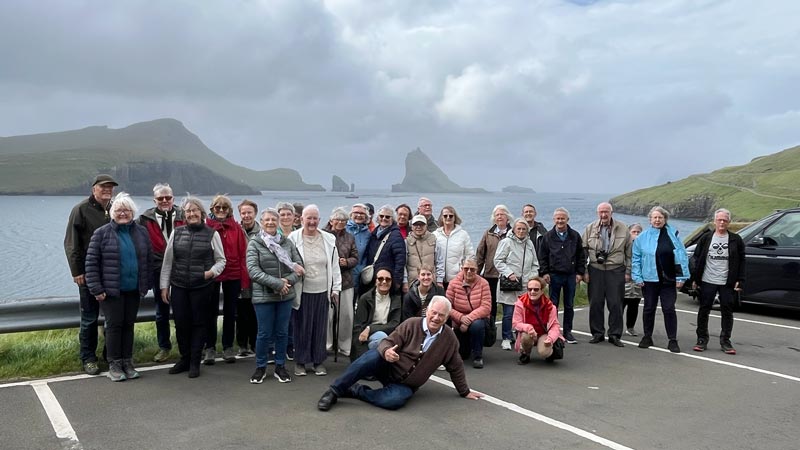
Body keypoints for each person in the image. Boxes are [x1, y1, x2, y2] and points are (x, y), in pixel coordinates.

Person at [317, 296, 483, 411]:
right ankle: (334, 391)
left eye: (441, 315)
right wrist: (386, 351)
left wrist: (465, 391)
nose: (436, 318)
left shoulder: (449, 339)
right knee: (372, 356)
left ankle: (356, 391)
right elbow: (387, 342)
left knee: (393, 401)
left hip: (406, 385)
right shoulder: (411, 324)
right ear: (427, 311)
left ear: (446, 318)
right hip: (388, 367)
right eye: (434, 312)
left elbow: (456, 366)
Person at [85, 193, 152, 381]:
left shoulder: (141, 232)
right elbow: (91, 263)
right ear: (112, 212)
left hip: (133, 290)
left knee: (128, 326)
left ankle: (127, 362)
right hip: (111, 291)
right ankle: (114, 364)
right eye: (119, 210)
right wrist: (97, 289)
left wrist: (146, 284)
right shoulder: (101, 233)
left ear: (133, 212)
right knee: (114, 327)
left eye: (127, 210)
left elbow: (148, 260)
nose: (123, 213)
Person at [160, 197, 226, 378]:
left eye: (195, 210)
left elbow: (221, 260)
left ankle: (195, 361)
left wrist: (210, 273)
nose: (191, 213)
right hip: (179, 285)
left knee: (199, 323)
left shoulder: (212, 234)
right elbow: (168, 262)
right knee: (181, 324)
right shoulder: (176, 233)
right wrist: (164, 286)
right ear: (184, 214)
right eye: (188, 211)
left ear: (202, 213)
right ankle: (185, 359)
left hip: (202, 286)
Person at [64, 173, 117, 375]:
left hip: (112, 274)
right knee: (89, 318)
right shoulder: (81, 210)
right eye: (103, 186)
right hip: (88, 274)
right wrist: (77, 271)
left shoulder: (116, 208)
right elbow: (71, 243)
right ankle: (88, 358)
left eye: (110, 187)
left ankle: (110, 355)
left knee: (112, 318)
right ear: (94, 189)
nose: (107, 190)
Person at [246, 208, 304, 384]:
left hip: (285, 296)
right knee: (264, 333)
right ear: (262, 222)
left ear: (277, 222)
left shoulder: (287, 242)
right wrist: (277, 284)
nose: (270, 222)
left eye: (273, 219)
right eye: (267, 220)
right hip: (264, 297)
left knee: (282, 332)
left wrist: (286, 282)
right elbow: (253, 270)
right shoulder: (255, 243)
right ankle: (261, 367)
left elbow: (299, 267)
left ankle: (280, 366)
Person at [288, 205, 342, 376]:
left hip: (322, 290)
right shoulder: (293, 238)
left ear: (319, 220)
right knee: (301, 327)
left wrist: (336, 288)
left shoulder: (329, 238)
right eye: (308, 218)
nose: (311, 222)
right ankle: (301, 362)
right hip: (302, 290)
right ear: (301, 219)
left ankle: (318, 361)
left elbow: (334, 265)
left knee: (320, 327)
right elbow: (287, 262)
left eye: (315, 218)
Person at [632, 206, 690, 353]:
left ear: (665, 219)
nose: (657, 220)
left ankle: (672, 340)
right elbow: (636, 258)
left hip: (668, 280)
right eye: (655, 217)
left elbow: (681, 256)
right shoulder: (642, 237)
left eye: (660, 217)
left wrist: (682, 277)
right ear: (650, 220)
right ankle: (647, 337)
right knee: (649, 308)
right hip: (649, 279)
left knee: (669, 309)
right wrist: (637, 276)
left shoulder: (673, 235)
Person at [137, 183, 185, 363]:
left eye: (168, 197)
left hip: (181, 269)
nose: (164, 201)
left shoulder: (184, 214)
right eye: (160, 198)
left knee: (183, 311)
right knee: (161, 312)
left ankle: (185, 347)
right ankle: (164, 347)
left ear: (173, 198)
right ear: (154, 200)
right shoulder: (144, 219)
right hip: (157, 269)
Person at [690, 208, 744, 355]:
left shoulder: (736, 240)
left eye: (725, 220)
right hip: (707, 279)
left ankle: (725, 341)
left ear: (729, 222)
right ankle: (702, 339)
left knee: (727, 311)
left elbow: (742, 260)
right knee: (704, 309)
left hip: (727, 281)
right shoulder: (706, 238)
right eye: (719, 220)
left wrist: (740, 279)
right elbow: (696, 258)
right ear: (714, 221)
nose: (722, 222)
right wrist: (695, 278)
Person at [204, 195, 250, 364]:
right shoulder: (206, 227)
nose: (221, 211)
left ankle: (228, 346)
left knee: (231, 312)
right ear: (212, 209)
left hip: (233, 274)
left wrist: (244, 281)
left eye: (225, 208)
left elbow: (243, 255)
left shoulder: (236, 228)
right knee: (210, 312)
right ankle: (209, 347)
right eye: (218, 208)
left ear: (230, 210)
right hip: (213, 273)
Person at [582, 202, 631, 348]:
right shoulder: (590, 228)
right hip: (595, 269)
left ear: (611, 213)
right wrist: (584, 271)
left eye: (606, 212)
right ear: (597, 213)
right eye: (601, 212)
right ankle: (597, 333)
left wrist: (628, 271)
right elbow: (583, 251)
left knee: (615, 303)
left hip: (616, 269)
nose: (603, 215)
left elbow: (629, 252)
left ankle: (615, 335)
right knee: (596, 303)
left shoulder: (623, 228)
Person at [537, 207, 585, 344]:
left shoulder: (575, 235)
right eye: (558, 218)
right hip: (554, 275)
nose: (560, 221)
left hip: (571, 275)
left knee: (569, 305)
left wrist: (580, 273)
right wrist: (544, 272)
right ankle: (554, 331)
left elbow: (581, 255)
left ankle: (568, 332)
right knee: (553, 305)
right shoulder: (548, 236)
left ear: (567, 219)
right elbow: (542, 256)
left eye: (562, 218)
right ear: (554, 219)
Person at [494, 218, 539, 350]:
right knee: (509, 313)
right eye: (518, 228)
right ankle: (506, 338)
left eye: (524, 229)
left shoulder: (529, 244)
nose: (521, 231)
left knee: (523, 313)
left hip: (525, 285)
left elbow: (535, 264)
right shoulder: (506, 242)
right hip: (510, 283)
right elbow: (498, 260)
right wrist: (509, 273)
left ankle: (521, 337)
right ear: (513, 229)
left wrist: (531, 278)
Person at [324, 207, 359, 358]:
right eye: (337, 220)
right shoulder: (322, 235)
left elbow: (355, 257)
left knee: (346, 316)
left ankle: (344, 346)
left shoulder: (350, 237)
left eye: (344, 220)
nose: (340, 222)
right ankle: (326, 345)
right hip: (326, 281)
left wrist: (347, 262)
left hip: (346, 281)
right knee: (327, 316)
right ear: (331, 220)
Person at [446, 257, 492, 368]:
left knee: (477, 325)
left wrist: (468, 320)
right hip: (458, 321)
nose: (469, 271)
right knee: (463, 354)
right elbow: (447, 306)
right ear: (461, 268)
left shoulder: (484, 283)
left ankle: (478, 356)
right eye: (466, 269)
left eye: (472, 269)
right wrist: (461, 318)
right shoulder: (453, 283)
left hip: (477, 319)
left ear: (477, 269)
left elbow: (486, 307)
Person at [476, 204, 512, 338]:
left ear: (508, 217)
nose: (499, 217)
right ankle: (489, 333)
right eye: (497, 215)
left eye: (502, 214)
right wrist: (476, 273)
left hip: (507, 275)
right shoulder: (488, 233)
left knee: (508, 307)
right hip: (490, 274)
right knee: (490, 306)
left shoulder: (513, 233)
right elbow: (480, 254)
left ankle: (508, 334)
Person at [351, 268, 402, 360]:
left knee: (382, 337)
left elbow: (394, 324)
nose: (384, 282)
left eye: (388, 279)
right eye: (380, 279)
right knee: (381, 338)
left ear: (392, 282)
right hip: (367, 338)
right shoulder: (365, 299)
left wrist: (370, 328)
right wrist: (360, 355)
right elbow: (358, 328)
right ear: (375, 281)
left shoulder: (397, 300)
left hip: (389, 335)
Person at [513, 276, 565, 364]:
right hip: (529, 333)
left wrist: (550, 339)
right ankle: (525, 354)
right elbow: (516, 323)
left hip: (543, 334)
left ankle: (550, 353)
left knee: (544, 352)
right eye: (530, 289)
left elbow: (555, 326)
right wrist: (528, 328)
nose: (532, 292)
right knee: (525, 337)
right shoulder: (520, 304)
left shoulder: (550, 306)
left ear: (542, 291)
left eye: (536, 289)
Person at [363, 205, 406, 294]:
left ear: (392, 219)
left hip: (387, 279)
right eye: (381, 216)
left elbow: (400, 261)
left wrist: (397, 281)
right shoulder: (374, 234)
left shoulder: (396, 236)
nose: (384, 218)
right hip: (373, 278)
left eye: (387, 217)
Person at [236, 199, 260, 356]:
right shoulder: (236, 230)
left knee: (255, 312)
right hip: (241, 276)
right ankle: (242, 344)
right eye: (243, 213)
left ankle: (255, 343)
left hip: (257, 277)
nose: (246, 215)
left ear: (255, 213)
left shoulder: (262, 231)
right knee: (241, 312)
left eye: (249, 212)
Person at [433, 205, 474, 290]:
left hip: (457, 278)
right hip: (438, 279)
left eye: (451, 216)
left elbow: (470, 255)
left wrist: (464, 272)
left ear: (455, 218)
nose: (448, 218)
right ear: (441, 218)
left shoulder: (463, 234)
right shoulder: (435, 235)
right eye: (445, 216)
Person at [404, 214, 445, 294]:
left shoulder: (434, 240)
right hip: (412, 283)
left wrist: (439, 280)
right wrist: (405, 282)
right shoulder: (406, 242)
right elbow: (403, 264)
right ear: (411, 226)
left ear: (426, 226)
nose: (418, 227)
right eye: (416, 224)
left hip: (431, 282)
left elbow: (440, 261)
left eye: (421, 224)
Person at [346, 203, 372, 296]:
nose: (359, 215)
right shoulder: (344, 229)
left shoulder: (368, 233)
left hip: (359, 273)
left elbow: (367, 253)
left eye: (362, 213)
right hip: (345, 271)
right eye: (356, 212)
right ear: (351, 215)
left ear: (366, 217)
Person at [622, 223, 644, 337]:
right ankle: (616, 327)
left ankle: (630, 327)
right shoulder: (624, 244)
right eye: (634, 232)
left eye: (638, 232)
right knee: (620, 304)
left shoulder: (643, 245)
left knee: (634, 305)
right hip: (624, 279)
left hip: (637, 280)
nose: (636, 234)